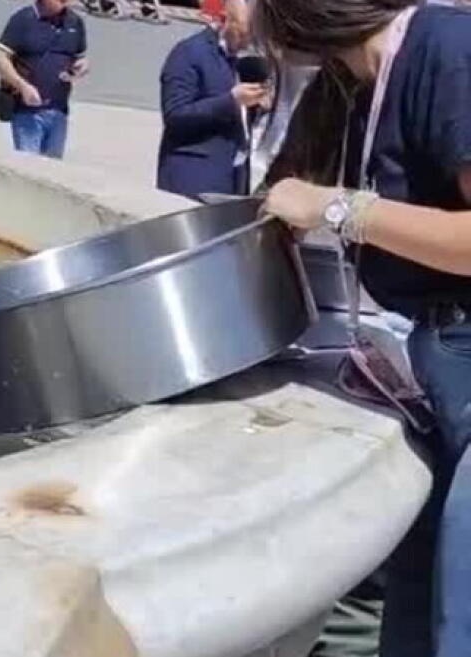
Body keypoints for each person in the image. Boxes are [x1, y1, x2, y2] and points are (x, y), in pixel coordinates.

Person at [255, 1, 471, 656]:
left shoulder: (449, 50)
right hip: (440, 365)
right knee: (413, 610)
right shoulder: (355, 81)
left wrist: (340, 208)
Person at [156, 0, 267, 199]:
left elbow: (243, 117)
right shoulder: (189, 52)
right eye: (243, 33)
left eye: (254, 35)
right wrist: (231, 100)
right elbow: (175, 115)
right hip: (193, 175)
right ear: (224, 20)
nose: (248, 41)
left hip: (234, 176)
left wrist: (261, 105)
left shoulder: (247, 62)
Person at [0, 0, 89, 159]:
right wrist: (23, 86)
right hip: (27, 111)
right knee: (29, 167)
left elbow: (81, 58)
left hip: (59, 111)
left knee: (52, 168)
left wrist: (81, 67)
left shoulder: (75, 22)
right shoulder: (23, 19)